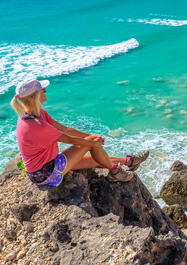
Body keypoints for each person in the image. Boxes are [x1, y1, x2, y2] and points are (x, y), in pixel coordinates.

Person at [10, 78, 149, 186]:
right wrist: (93, 142)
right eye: (42, 89)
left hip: (47, 164)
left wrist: (88, 136)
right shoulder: (37, 125)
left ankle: (129, 162)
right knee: (92, 145)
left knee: (94, 159)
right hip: (46, 173)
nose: (45, 90)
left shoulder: (34, 114)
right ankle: (115, 172)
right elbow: (71, 140)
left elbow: (64, 128)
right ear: (34, 97)